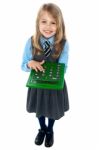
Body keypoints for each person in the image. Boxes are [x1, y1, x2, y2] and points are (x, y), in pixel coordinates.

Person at [21, 3, 69, 147]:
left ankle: (50, 130)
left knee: (52, 110)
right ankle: (42, 128)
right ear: (38, 23)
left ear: (59, 25)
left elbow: (63, 68)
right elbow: (23, 65)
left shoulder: (63, 44)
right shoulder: (31, 42)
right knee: (40, 109)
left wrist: (52, 71)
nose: (48, 27)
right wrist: (30, 64)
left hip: (54, 86)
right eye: (44, 22)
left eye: (53, 23)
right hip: (37, 86)